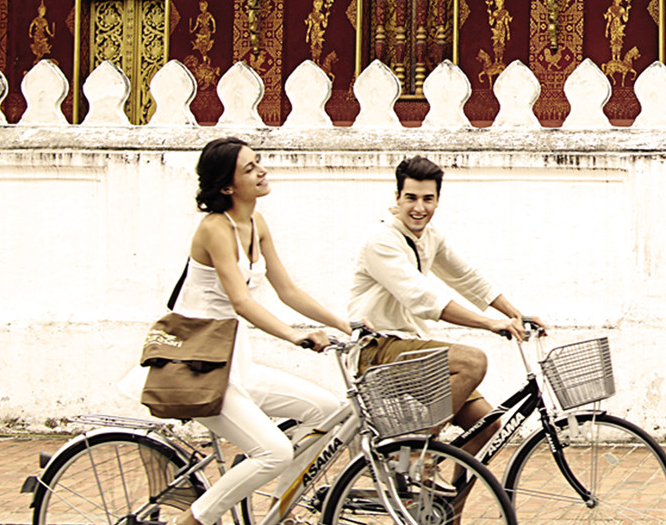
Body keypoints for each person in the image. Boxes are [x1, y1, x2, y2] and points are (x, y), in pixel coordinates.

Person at [150, 137, 351, 525]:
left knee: (328, 410)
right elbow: (241, 301)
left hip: (234, 363)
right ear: (226, 187)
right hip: (199, 367)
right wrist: (295, 336)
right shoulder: (214, 229)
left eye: (258, 162)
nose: (261, 171)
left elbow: (287, 290)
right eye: (249, 168)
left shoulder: (256, 222)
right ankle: (193, 520)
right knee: (274, 452)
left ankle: (280, 513)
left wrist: (342, 323)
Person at [349, 156, 534, 458]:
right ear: (396, 197)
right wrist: (489, 323)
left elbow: (466, 276)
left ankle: (447, 507)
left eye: (427, 199)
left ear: (437, 201)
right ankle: (417, 453)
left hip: (410, 346)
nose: (419, 208)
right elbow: (423, 298)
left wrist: (513, 314)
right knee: (472, 361)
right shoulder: (380, 241)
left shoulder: (430, 236)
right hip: (376, 348)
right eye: (410, 198)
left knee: (486, 427)